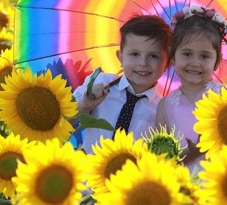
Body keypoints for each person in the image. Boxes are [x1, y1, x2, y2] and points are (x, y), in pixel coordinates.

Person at [72, 15, 172, 154]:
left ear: (167, 63)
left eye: (153, 56)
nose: (143, 63)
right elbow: (65, 122)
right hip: (87, 171)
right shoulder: (99, 84)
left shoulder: (163, 111)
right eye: (135, 54)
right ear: (120, 57)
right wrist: (85, 105)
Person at [155, 6, 227, 169]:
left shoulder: (226, 98)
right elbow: (162, 157)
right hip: (183, 184)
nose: (195, 63)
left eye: (204, 56)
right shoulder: (165, 106)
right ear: (173, 56)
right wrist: (190, 154)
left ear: (217, 61)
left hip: (220, 179)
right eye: (187, 54)